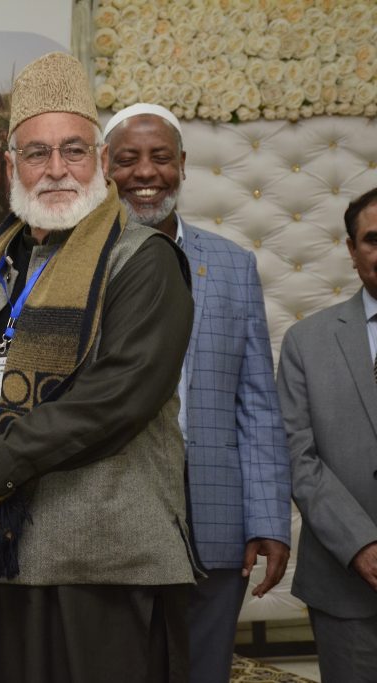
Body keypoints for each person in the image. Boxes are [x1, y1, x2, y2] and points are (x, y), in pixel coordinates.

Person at [0, 52, 197, 682]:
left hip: (99, 561)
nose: (56, 169)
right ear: (11, 165)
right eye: (36, 153)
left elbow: (112, 401)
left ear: (99, 159)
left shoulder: (144, 262)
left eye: (73, 150)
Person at [104, 103, 292, 683]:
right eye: (127, 159)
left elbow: (256, 403)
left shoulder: (233, 265)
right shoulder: (78, 264)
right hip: (112, 509)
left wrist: (268, 517)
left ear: (182, 166)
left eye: (160, 158)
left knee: (203, 669)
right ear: (104, 169)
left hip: (215, 516)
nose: (145, 173)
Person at [276, 187, 377, 683]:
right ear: (352, 251)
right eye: (373, 240)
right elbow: (299, 456)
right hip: (344, 583)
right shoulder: (307, 342)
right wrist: (360, 545)